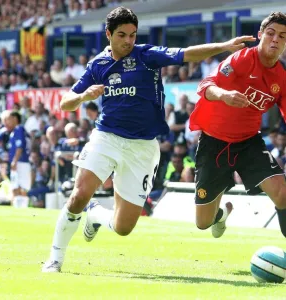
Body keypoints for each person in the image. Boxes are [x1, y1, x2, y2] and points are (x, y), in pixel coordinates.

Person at [42, 6, 255, 272]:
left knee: (123, 227)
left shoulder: (146, 55)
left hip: (142, 147)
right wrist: (84, 97)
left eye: (132, 34)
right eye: (122, 35)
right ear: (108, 34)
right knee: (78, 196)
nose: (128, 41)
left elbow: (187, 54)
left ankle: (96, 215)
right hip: (106, 137)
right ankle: (55, 258)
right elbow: (65, 103)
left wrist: (223, 46)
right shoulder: (98, 65)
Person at [189, 12, 286, 239]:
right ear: (260, 35)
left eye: (282, 36)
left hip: (249, 142)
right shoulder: (241, 59)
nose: (275, 40)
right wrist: (224, 95)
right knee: (203, 223)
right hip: (214, 142)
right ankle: (220, 213)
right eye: (271, 33)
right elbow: (206, 84)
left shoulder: (282, 77)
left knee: (282, 193)